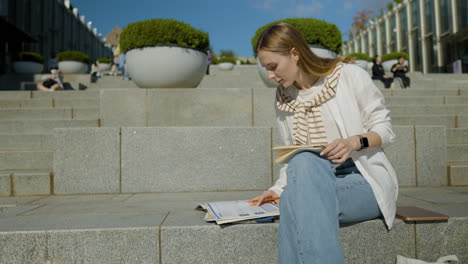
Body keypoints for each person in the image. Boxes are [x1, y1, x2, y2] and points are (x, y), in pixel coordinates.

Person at [248, 23, 398, 264]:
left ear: (295, 54)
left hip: (362, 179)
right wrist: (276, 190)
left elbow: (385, 130)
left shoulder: (348, 75)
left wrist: (353, 142)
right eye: (265, 69)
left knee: (293, 199)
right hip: (312, 177)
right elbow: (291, 155)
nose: (270, 76)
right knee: (302, 164)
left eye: (273, 67)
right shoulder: (284, 97)